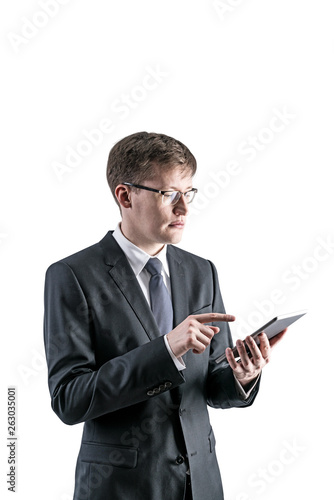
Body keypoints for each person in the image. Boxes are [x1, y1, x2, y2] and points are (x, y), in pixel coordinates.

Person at [43, 131, 287, 500]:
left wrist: (241, 375)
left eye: (188, 193)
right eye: (168, 194)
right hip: (121, 488)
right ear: (125, 195)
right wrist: (166, 349)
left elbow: (209, 389)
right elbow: (70, 398)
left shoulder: (201, 271)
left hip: (202, 485)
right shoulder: (73, 275)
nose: (184, 209)